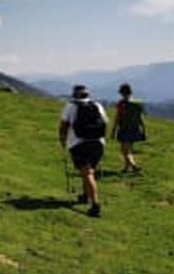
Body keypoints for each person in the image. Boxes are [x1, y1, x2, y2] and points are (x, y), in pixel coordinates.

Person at [59, 84, 108, 218]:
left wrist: (62, 141)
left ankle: (95, 205)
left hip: (79, 143)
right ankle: (85, 195)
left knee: (87, 173)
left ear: (74, 95)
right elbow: (104, 123)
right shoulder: (97, 105)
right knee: (88, 170)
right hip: (98, 143)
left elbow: (63, 126)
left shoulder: (71, 106)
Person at [112, 83, 146, 173]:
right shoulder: (138, 103)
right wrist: (144, 130)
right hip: (135, 129)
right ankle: (126, 168)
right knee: (129, 149)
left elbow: (117, 118)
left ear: (121, 93)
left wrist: (114, 130)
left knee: (124, 151)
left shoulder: (121, 104)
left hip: (124, 129)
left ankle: (134, 166)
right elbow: (141, 118)